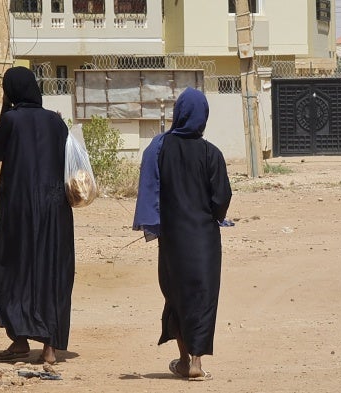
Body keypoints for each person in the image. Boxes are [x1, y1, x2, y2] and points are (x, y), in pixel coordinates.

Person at [133, 87, 232, 381]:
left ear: (179, 113)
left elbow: (152, 191)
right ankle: (197, 363)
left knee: (176, 296)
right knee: (202, 298)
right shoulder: (211, 153)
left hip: (173, 238)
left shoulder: (160, 148)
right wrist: (216, 217)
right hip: (203, 239)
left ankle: (183, 357)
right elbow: (221, 198)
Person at [0, 66, 74, 364]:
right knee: (51, 271)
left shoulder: (11, 120)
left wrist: (6, 111)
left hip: (18, 210)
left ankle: (20, 340)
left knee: (11, 267)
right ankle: (49, 348)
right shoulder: (56, 123)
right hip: (54, 209)